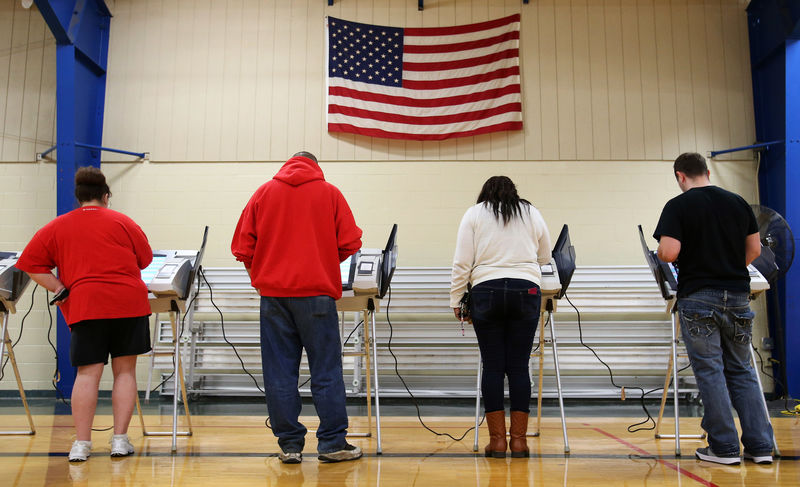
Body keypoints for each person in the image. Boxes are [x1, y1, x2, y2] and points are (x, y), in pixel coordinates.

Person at [231, 151, 363, 464]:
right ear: (316, 167)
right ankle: (332, 444)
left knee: (279, 373)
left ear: (287, 165)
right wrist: (323, 261)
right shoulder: (330, 193)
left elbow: (241, 247)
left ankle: (289, 445)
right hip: (317, 296)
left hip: (274, 297)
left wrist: (262, 274)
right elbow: (350, 242)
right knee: (326, 371)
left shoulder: (263, 193)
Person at [15, 166, 153, 462]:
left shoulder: (57, 226)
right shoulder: (124, 222)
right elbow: (145, 260)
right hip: (128, 303)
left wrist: (59, 287)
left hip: (86, 304)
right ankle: (119, 440)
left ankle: (82, 444)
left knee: (87, 374)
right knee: (125, 371)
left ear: (78, 198)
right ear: (106, 196)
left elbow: (29, 264)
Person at [654, 152, 774, 465]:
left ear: (680, 176)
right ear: (707, 171)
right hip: (736, 295)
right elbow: (754, 250)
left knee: (710, 372)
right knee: (743, 370)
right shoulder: (737, 202)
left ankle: (724, 448)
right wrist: (727, 268)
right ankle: (761, 446)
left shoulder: (677, 206)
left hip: (698, 297)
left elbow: (668, 253)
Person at [450, 176, 551, 458]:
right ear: (514, 193)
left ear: (484, 194)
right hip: (526, 290)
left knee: (493, 366)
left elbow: (462, 262)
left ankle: (497, 443)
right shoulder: (531, 212)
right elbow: (545, 257)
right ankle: (519, 442)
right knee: (518, 367)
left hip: (486, 290)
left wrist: (456, 299)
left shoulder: (474, 213)